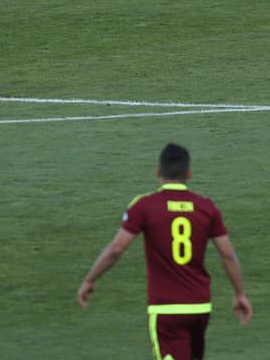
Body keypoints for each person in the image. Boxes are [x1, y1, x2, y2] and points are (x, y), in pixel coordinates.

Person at [77, 143, 252, 359]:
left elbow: (116, 249)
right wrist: (240, 293)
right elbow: (227, 254)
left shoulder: (144, 206)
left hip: (166, 309)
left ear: (158, 172)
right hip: (199, 308)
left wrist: (90, 279)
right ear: (189, 173)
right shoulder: (206, 207)